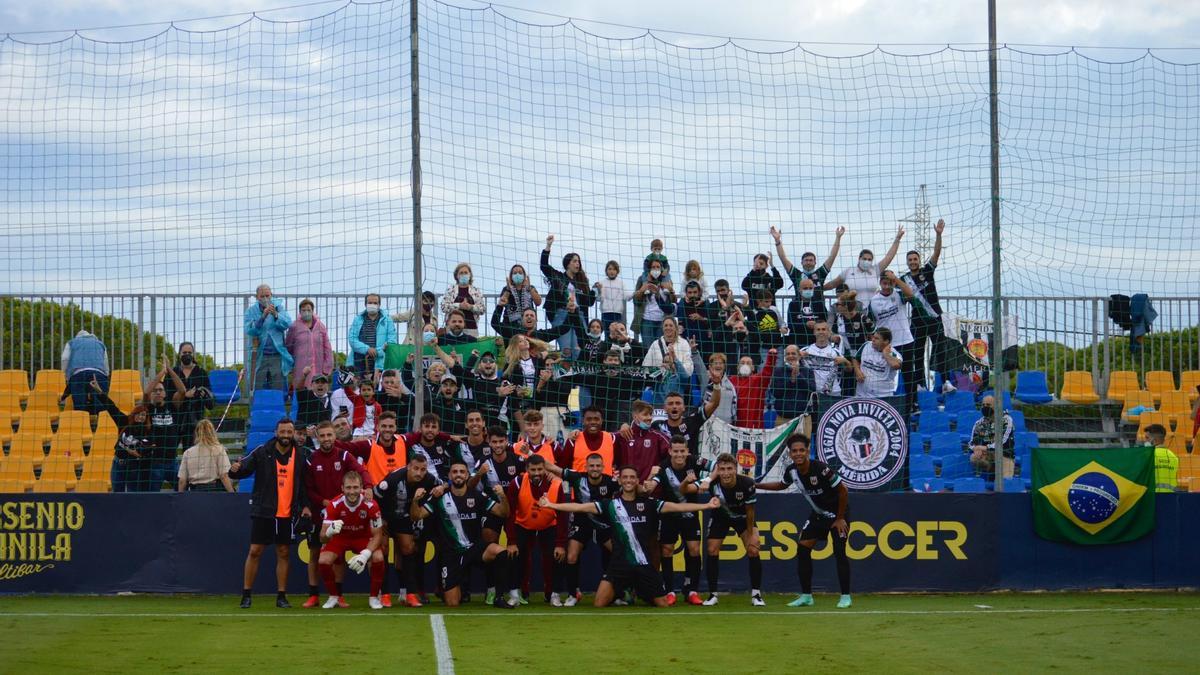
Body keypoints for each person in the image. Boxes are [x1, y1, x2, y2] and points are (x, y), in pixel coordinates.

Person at [540, 466, 719, 608]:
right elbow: (579, 507)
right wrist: (551, 505)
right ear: (619, 480)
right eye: (625, 477)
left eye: (632, 477)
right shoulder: (610, 504)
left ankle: (641, 591)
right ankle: (622, 591)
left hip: (644, 565)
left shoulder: (649, 504)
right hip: (619, 564)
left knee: (662, 604)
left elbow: (677, 507)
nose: (628, 480)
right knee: (599, 603)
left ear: (637, 481)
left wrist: (707, 506)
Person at [756, 433, 852, 608]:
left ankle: (845, 596)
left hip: (838, 515)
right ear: (790, 453)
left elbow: (843, 490)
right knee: (803, 548)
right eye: (794, 451)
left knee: (839, 550)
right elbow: (782, 485)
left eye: (802, 450)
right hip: (818, 515)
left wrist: (839, 518)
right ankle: (806, 596)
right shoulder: (792, 471)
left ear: (808, 451)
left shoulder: (821, 469)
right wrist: (756, 485)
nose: (798, 454)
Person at [229, 418, 312, 609]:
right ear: (276, 433)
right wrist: (234, 470)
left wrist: (306, 505)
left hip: (287, 513)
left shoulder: (300, 455)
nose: (285, 435)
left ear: (293, 434)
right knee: (255, 551)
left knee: (283, 553)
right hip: (264, 511)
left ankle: (281, 596)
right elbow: (243, 469)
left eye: (289, 432)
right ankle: (246, 594)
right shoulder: (262, 451)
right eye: (282, 432)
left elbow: (304, 486)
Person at [412, 462, 516, 608]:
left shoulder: (477, 496)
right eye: (454, 472)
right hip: (451, 553)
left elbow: (503, 513)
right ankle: (453, 587)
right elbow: (417, 516)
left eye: (462, 471)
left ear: (467, 475)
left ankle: (498, 597)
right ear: (449, 476)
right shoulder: (439, 497)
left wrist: (502, 496)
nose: (458, 474)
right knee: (453, 603)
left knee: (500, 552)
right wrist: (415, 501)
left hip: (473, 548)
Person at [301, 420, 373, 608]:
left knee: (339, 555)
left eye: (329, 435)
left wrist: (368, 486)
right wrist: (323, 502)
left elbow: (361, 471)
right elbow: (308, 489)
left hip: (341, 513)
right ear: (317, 437)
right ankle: (313, 595)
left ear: (335, 436)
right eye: (322, 435)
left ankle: (338, 595)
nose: (326, 439)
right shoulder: (311, 459)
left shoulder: (343, 455)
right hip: (320, 513)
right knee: (315, 553)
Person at [544, 451, 618, 606]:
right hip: (581, 522)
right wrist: (529, 453)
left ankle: (618, 593)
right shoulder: (578, 478)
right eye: (592, 466)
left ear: (603, 467)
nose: (595, 469)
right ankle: (573, 594)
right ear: (586, 467)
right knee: (571, 556)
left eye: (598, 466)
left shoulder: (611, 482)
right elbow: (552, 467)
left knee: (619, 553)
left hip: (603, 524)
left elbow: (630, 487)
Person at [647, 435, 715, 605]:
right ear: (670, 451)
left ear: (687, 451)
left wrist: (707, 480)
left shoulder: (695, 461)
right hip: (669, 514)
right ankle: (670, 591)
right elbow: (651, 485)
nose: (679, 454)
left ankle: (692, 590)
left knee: (694, 549)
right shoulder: (663, 466)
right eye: (675, 451)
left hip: (690, 514)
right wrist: (650, 480)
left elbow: (717, 466)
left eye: (682, 451)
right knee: (667, 550)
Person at [373, 453, 441, 607]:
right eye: (416, 468)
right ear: (409, 467)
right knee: (383, 550)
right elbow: (374, 499)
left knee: (408, 549)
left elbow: (444, 484)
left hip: (403, 518)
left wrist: (441, 488)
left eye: (423, 469)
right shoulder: (392, 480)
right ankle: (384, 594)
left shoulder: (429, 479)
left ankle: (409, 594)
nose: (419, 473)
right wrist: (379, 521)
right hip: (384, 517)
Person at [698, 453, 763, 606]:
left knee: (754, 549)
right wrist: (695, 481)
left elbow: (750, 512)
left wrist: (750, 533)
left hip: (742, 518)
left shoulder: (747, 483)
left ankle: (756, 595)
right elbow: (690, 479)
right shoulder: (711, 482)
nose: (726, 473)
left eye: (729, 469)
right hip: (720, 517)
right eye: (722, 469)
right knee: (712, 550)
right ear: (717, 471)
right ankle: (713, 595)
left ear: (736, 469)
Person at [318, 471, 387, 609]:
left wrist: (365, 554)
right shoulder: (334, 505)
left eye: (355, 487)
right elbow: (322, 537)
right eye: (348, 488)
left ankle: (374, 597)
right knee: (323, 561)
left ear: (361, 487)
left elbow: (378, 535)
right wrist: (330, 531)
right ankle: (333, 597)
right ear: (342, 488)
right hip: (340, 538)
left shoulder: (371, 505)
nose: (352, 491)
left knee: (378, 557)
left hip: (363, 538)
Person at [504, 454, 566, 605]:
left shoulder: (556, 484)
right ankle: (516, 593)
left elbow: (563, 515)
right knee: (516, 556)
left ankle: (553, 594)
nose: (537, 472)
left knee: (556, 557)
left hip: (548, 525)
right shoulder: (517, 483)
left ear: (545, 469)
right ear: (526, 469)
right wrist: (511, 540)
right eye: (533, 469)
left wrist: (560, 543)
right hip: (523, 525)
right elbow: (510, 513)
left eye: (540, 469)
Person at [477, 425, 527, 604]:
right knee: (490, 547)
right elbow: (472, 485)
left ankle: (515, 590)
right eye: (494, 442)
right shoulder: (484, 462)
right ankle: (491, 589)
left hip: (515, 510)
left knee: (516, 549)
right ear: (489, 443)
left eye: (501, 441)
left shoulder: (517, 459)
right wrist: (478, 475)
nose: (497, 445)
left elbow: (533, 474)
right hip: (493, 510)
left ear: (507, 441)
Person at [556, 351, 657, 431]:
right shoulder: (595, 378)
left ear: (619, 363)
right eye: (610, 359)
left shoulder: (627, 378)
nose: (613, 362)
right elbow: (574, 377)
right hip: (600, 419)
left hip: (620, 421)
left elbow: (649, 380)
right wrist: (557, 368)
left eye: (615, 360)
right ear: (604, 361)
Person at [901, 219, 946, 394]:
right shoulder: (904, 280)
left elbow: (936, 253)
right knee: (917, 355)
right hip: (917, 322)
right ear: (907, 262)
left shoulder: (927, 271)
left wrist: (938, 235)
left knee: (940, 351)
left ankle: (945, 383)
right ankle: (920, 385)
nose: (913, 262)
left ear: (919, 260)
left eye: (915, 259)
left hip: (935, 318)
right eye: (910, 259)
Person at [91, 380, 153, 493]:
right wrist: (99, 391)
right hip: (118, 463)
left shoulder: (147, 431)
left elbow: (147, 446)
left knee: (132, 494)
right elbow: (111, 407)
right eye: (138, 414)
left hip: (134, 466)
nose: (141, 417)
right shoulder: (123, 421)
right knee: (117, 493)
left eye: (143, 415)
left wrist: (140, 452)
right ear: (134, 414)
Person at [541, 234, 595, 360]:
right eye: (575, 261)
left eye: (579, 261)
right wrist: (548, 246)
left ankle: (576, 378)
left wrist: (595, 291)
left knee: (578, 350)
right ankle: (565, 378)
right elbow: (544, 266)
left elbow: (588, 302)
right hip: (562, 315)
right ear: (567, 263)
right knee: (566, 351)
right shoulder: (558, 277)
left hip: (578, 316)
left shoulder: (581, 283)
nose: (577, 264)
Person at [869, 271, 921, 400]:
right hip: (887, 344)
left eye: (889, 283)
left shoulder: (899, 295)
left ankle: (912, 403)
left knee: (908, 374)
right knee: (884, 373)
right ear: (880, 283)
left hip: (905, 340)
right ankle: (885, 399)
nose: (887, 286)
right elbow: (870, 322)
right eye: (884, 283)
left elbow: (910, 293)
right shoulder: (873, 301)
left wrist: (896, 279)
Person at [825, 225, 905, 305]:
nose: (867, 261)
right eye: (864, 259)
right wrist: (819, 289)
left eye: (869, 259)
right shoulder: (849, 271)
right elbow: (833, 283)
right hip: (853, 312)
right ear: (859, 259)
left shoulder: (875, 270)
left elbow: (889, 257)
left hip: (871, 311)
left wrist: (897, 239)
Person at [771, 224, 845, 309]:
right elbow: (783, 258)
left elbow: (832, 256)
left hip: (819, 312)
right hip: (800, 312)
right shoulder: (796, 274)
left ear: (815, 263)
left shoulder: (820, 273)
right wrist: (777, 240)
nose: (808, 262)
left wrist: (838, 237)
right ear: (801, 263)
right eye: (806, 260)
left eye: (811, 260)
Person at [143, 356, 189, 490]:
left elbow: (182, 391)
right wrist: (162, 373)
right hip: (154, 462)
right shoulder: (148, 409)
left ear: (165, 393)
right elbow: (146, 392)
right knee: (153, 497)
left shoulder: (172, 406)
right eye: (155, 390)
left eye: (160, 390)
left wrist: (169, 369)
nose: (157, 392)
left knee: (182, 492)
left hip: (172, 461)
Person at [164, 342, 214, 454]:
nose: (187, 355)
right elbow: (167, 397)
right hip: (174, 419)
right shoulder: (173, 372)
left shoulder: (201, 372)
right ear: (179, 354)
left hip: (195, 418)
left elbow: (210, 401)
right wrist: (185, 395)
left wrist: (203, 394)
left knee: (193, 454)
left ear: (194, 354)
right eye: (184, 352)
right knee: (169, 452)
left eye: (189, 352)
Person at [243, 284, 294, 392]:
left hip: (276, 354)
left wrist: (276, 315)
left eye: (267, 295)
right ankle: (256, 407)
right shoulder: (251, 311)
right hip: (258, 356)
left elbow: (287, 323)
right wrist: (263, 317)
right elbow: (249, 330)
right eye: (262, 296)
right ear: (257, 297)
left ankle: (277, 408)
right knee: (257, 386)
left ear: (271, 295)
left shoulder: (278, 307)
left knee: (277, 387)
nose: (265, 299)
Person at [649, 388, 720, 459]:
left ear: (683, 408)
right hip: (664, 467)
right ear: (665, 408)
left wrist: (717, 385)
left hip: (689, 467)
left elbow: (713, 404)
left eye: (678, 403)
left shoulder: (692, 422)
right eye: (670, 404)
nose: (674, 406)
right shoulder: (657, 426)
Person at [830, 291, 874, 397]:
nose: (836, 306)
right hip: (845, 356)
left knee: (860, 384)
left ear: (846, 306)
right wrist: (833, 337)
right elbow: (832, 334)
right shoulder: (839, 318)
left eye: (838, 304)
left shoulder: (863, 319)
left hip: (861, 357)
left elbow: (873, 336)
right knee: (845, 385)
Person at [641, 316, 692, 403]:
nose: (668, 328)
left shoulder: (684, 344)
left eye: (671, 325)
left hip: (678, 388)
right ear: (662, 328)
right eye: (666, 325)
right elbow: (645, 369)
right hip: (659, 388)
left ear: (676, 327)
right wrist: (660, 370)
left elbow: (688, 371)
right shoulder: (655, 344)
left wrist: (673, 366)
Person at [284, 299, 334, 390]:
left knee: (317, 392)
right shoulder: (294, 327)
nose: (306, 312)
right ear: (299, 312)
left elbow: (327, 348)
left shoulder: (320, 326)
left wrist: (327, 367)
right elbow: (288, 347)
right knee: (302, 393)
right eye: (303, 310)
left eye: (308, 310)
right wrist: (290, 366)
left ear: (312, 311)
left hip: (319, 367)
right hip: (300, 367)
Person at [618, 400, 671, 480]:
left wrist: (658, 474)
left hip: (652, 488)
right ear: (635, 416)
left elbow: (673, 454)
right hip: (628, 487)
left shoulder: (658, 437)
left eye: (650, 414)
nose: (649, 418)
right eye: (645, 414)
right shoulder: (623, 435)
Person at [349, 293, 398, 379]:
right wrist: (367, 349)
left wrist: (377, 351)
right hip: (360, 361)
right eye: (370, 302)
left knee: (379, 389)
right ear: (365, 304)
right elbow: (352, 339)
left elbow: (392, 341)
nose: (372, 305)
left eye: (375, 303)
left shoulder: (387, 320)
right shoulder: (358, 319)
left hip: (381, 361)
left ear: (379, 305)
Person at [177, 419, 234, 492]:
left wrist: (180, 497)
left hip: (194, 492)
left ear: (196, 433)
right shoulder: (219, 450)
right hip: (214, 492)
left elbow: (182, 480)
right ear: (212, 432)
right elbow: (224, 476)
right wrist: (232, 493)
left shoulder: (188, 453)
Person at [61, 329, 110, 414]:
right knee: (100, 402)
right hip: (98, 373)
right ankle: (101, 424)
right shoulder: (100, 344)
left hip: (78, 374)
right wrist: (106, 374)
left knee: (80, 404)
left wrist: (65, 374)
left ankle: (81, 424)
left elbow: (64, 358)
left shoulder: (72, 342)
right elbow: (105, 361)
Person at [801, 319, 853, 397]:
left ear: (828, 332)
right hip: (812, 392)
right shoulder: (805, 351)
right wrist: (797, 357)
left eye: (823, 329)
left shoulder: (836, 352)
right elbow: (789, 363)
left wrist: (845, 361)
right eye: (818, 329)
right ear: (814, 332)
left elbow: (849, 369)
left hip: (833, 392)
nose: (821, 332)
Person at [729, 349, 778, 429]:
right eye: (742, 363)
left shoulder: (758, 380)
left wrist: (772, 356)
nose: (745, 365)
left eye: (748, 363)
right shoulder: (731, 380)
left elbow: (767, 371)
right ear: (737, 367)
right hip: (734, 425)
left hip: (753, 426)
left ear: (753, 368)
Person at [969, 395, 1015, 479]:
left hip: (1004, 455)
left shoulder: (1006, 420)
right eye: (983, 405)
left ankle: (1001, 476)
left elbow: (1003, 442)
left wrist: (985, 447)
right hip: (988, 455)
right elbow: (971, 443)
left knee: (1007, 482)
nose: (985, 407)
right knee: (973, 457)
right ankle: (989, 471)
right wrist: (976, 449)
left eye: (988, 405)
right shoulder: (979, 423)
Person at [634, 258, 675, 344]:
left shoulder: (667, 280)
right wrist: (642, 290)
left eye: (658, 267)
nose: (656, 269)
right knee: (648, 350)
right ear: (649, 269)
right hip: (646, 321)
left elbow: (673, 301)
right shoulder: (642, 279)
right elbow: (636, 302)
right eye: (653, 267)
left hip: (662, 321)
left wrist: (671, 290)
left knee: (662, 349)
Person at [854, 328, 902, 399]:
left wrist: (885, 354)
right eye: (873, 337)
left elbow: (896, 365)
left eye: (876, 338)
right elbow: (855, 359)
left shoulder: (894, 354)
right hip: (861, 395)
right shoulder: (866, 345)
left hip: (882, 398)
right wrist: (857, 371)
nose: (873, 340)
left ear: (886, 341)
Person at [440, 262, 486, 336]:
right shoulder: (450, 290)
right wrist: (459, 306)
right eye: (461, 273)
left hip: (471, 328)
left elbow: (482, 309)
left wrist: (471, 307)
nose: (463, 274)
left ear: (470, 275)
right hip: (452, 329)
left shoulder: (476, 291)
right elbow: (443, 307)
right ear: (456, 276)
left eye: (465, 272)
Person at [772, 345, 816, 422]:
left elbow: (812, 391)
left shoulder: (808, 371)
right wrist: (791, 380)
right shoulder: (778, 371)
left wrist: (798, 375)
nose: (790, 356)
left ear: (799, 356)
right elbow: (775, 393)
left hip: (803, 417)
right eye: (788, 354)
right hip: (783, 417)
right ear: (785, 357)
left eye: (793, 353)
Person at [594, 260, 631, 337]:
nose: (612, 271)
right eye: (610, 269)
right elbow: (599, 299)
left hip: (617, 314)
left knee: (617, 335)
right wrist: (599, 290)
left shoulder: (621, 283)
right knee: (608, 335)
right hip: (606, 313)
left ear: (617, 271)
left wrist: (636, 293)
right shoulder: (602, 282)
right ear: (606, 271)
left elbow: (627, 296)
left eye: (614, 269)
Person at [785, 278, 824, 348]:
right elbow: (791, 325)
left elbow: (825, 322)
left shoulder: (819, 304)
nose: (808, 290)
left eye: (810, 288)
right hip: (797, 341)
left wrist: (816, 325)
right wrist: (805, 324)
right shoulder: (793, 304)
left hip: (816, 342)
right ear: (799, 290)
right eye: (805, 288)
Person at [704, 353, 738, 426]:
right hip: (709, 423)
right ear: (711, 366)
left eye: (721, 363)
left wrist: (733, 420)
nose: (718, 365)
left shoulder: (730, 385)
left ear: (724, 366)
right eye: (715, 363)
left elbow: (734, 404)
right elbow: (699, 367)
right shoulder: (705, 380)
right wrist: (694, 352)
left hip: (727, 425)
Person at [1146, 424, 1178, 492]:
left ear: (1154, 440)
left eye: (1147, 438)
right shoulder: (1173, 457)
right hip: (1171, 497)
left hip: (1152, 497)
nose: (1145, 441)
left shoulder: (1148, 456)